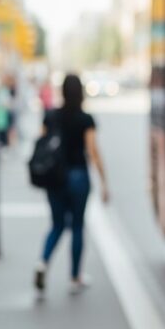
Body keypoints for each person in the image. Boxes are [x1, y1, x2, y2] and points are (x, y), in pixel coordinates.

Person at [34, 74, 109, 294]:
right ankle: (75, 277)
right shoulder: (86, 119)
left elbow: (42, 145)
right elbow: (93, 151)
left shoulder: (50, 116)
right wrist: (104, 182)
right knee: (77, 226)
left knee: (57, 225)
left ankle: (43, 262)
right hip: (78, 177)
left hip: (55, 178)